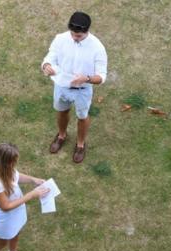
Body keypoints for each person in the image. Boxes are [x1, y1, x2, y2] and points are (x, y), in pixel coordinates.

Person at [41, 11, 107, 163]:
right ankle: (62, 135)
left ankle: (80, 144)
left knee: (82, 117)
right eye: (72, 34)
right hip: (61, 86)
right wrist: (46, 66)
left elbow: (102, 76)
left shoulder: (98, 47)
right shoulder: (60, 39)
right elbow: (49, 58)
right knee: (61, 111)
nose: (74, 37)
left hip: (82, 91)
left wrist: (87, 78)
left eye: (78, 36)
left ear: (87, 32)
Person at [0, 143, 50, 251]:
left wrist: (33, 180)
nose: (14, 165)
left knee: (16, 233)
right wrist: (31, 195)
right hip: (4, 218)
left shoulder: (7, 168)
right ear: (3, 162)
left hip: (17, 210)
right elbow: (5, 206)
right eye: (12, 162)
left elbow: (17, 176)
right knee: (0, 242)